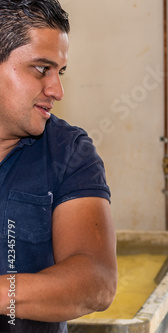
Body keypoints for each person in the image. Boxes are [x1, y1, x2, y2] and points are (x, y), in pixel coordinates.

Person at [0, 1, 117, 332]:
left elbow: (97, 280)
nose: (57, 90)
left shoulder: (68, 152)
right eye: (41, 69)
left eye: (59, 71)